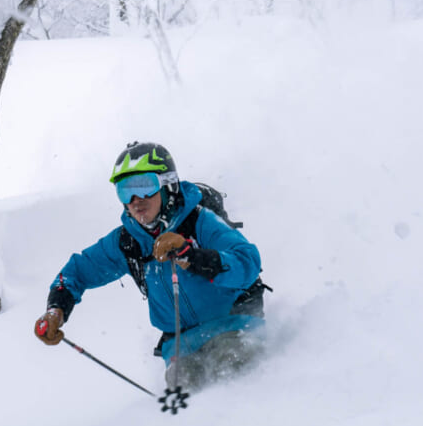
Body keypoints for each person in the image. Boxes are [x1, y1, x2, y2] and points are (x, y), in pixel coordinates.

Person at [34, 141, 267, 392]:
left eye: (144, 186)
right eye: (124, 191)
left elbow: (248, 262)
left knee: (232, 366)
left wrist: (193, 255)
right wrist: (56, 309)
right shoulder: (128, 243)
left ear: (168, 185)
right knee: (183, 392)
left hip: (233, 326)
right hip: (182, 347)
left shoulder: (199, 222)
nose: (135, 200)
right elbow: (77, 272)